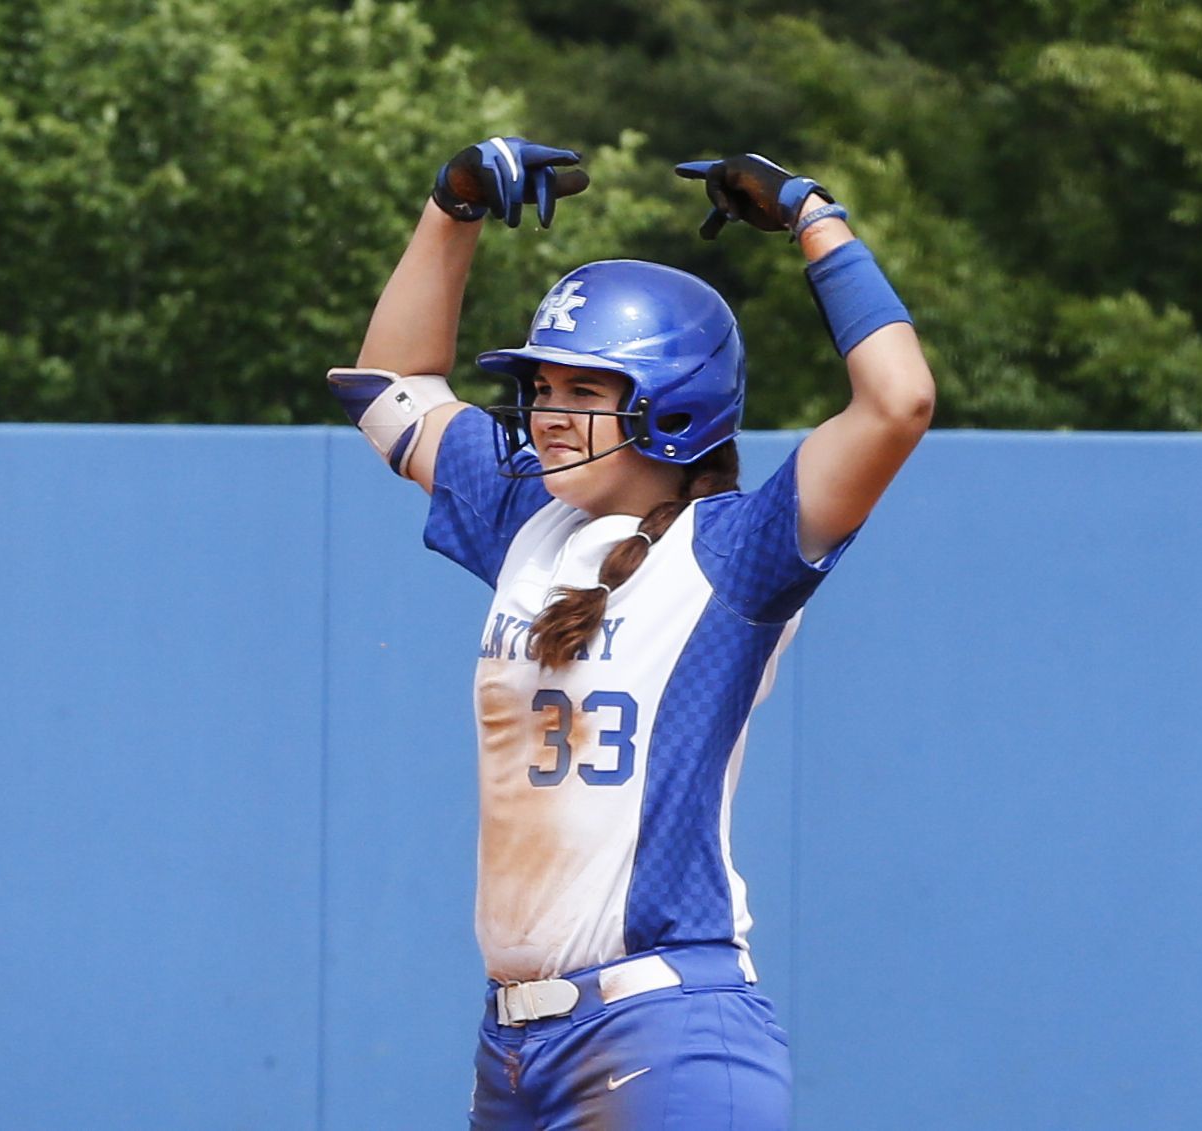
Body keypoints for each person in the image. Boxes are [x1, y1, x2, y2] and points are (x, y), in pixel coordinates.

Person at [327, 136, 934, 1130]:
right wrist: (453, 206)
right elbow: (387, 382)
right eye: (540, 387)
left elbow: (898, 402)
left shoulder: (733, 553)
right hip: (514, 1052)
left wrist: (814, 218)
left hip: (664, 1036)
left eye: (583, 390)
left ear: (675, 408)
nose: (546, 414)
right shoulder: (525, 516)